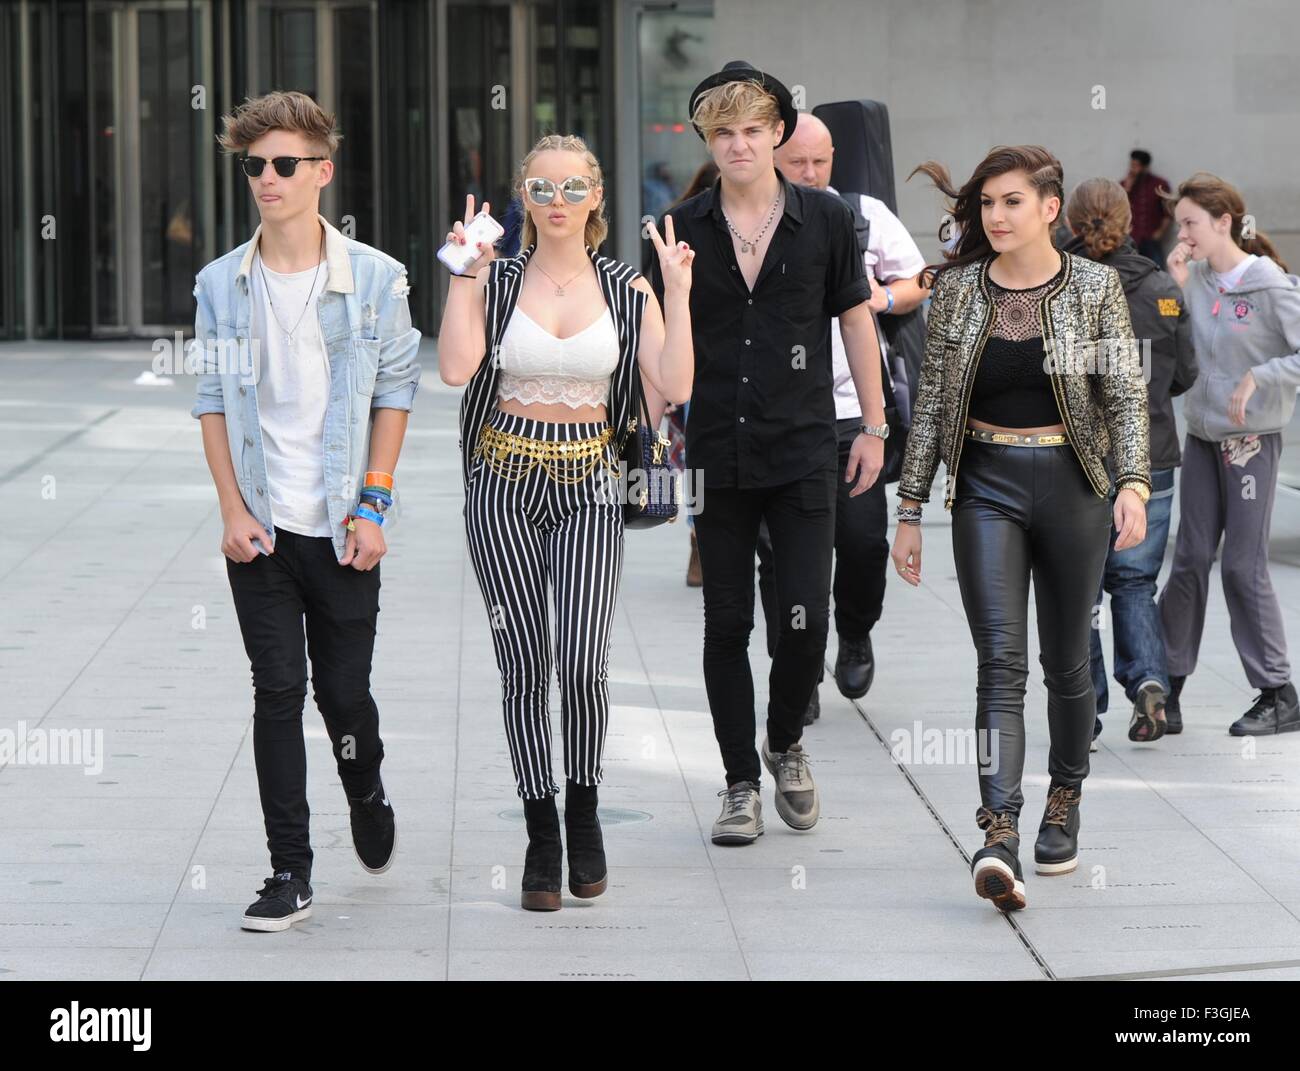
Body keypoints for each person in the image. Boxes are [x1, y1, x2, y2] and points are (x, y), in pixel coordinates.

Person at [438, 134, 694, 910]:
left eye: (572, 187)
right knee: (522, 664)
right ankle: (539, 825)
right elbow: (455, 369)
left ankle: (583, 807)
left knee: (582, 659)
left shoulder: (627, 288)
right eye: (541, 189)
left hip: (590, 481)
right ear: (523, 197)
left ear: (595, 198)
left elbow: (675, 383)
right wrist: (463, 277)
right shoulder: (498, 276)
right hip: (503, 481)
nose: (557, 202)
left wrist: (678, 295)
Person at [892, 145, 1150, 911]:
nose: (995, 217)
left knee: (1068, 662)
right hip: (986, 487)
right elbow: (934, 403)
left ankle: (1063, 798)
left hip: (1074, 488)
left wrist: (1132, 483)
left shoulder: (1095, 288)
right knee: (998, 661)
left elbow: (1125, 395)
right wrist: (909, 509)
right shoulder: (961, 291)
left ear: (1048, 207)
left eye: (1011, 202)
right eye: (986, 204)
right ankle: (998, 827)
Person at [190, 91, 422, 932]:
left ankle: (365, 780)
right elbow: (212, 400)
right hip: (260, 527)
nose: (267, 179)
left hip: (342, 522)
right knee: (277, 690)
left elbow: (397, 390)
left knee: (344, 695)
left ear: (323, 172)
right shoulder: (221, 284)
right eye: (254, 165)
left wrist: (375, 502)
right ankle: (290, 868)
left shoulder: (374, 279)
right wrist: (229, 507)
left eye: (284, 164)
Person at [649, 61, 887, 845]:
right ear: (708, 141)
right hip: (718, 450)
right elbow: (661, 347)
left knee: (803, 621)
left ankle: (784, 742)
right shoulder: (679, 228)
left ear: (778, 133)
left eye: (753, 129)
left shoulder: (823, 218)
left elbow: (856, 321)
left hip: (805, 448)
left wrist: (877, 424)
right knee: (725, 625)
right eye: (724, 132)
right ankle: (739, 781)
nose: (740, 144)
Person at [760, 112, 929, 717]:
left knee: (860, 543)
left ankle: (855, 631)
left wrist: (877, 296)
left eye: (820, 161)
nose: (809, 172)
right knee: (781, 555)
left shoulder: (861, 215)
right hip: (777, 419)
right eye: (797, 161)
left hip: (853, 414)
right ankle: (798, 675)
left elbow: (918, 279)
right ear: (773, 157)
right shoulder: (756, 219)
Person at [1158, 172, 1300, 737]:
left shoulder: (1269, 284)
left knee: (1243, 564)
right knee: (1189, 559)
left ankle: (1278, 692)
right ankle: (1166, 689)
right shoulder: (1191, 281)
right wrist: (1174, 288)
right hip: (1202, 437)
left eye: (1191, 224)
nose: (1183, 235)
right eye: (1179, 226)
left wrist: (1260, 376)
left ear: (1223, 223)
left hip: (1250, 443)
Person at [1063, 178, 1197, 744]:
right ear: (1129, 223)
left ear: (1067, 221)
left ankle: (1085, 711)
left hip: (1080, 459)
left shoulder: (1059, 284)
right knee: (1136, 583)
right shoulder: (1163, 287)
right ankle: (1147, 680)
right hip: (1153, 455)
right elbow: (1185, 374)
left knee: (1080, 592)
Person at [1121, 150, 1171, 269]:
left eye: (1136, 166)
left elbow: (1168, 212)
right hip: (1131, 239)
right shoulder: (1123, 185)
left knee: (1157, 271)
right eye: (1132, 165)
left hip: (1151, 239)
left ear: (1145, 167)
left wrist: (1159, 233)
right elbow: (1118, 210)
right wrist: (1127, 188)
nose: (1133, 169)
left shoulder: (1159, 184)